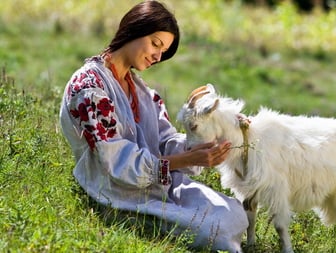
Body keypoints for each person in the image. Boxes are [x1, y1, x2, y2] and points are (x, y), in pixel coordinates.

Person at [59, 1, 248, 252]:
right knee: (215, 230)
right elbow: (115, 162)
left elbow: (165, 140)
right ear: (135, 29)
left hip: (158, 185)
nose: (158, 56)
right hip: (116, 193)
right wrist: (183, 160)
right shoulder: (89, 87)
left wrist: (202, 136)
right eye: (156, 44)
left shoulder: (142, 91)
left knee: (235, 212)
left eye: (164, 51)